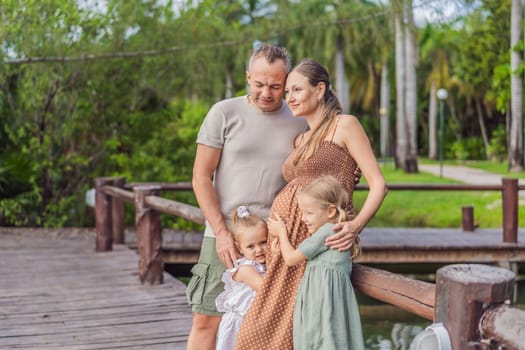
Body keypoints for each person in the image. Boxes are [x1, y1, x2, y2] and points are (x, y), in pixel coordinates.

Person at [187, 43, 360, 349]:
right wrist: (221, 232)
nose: (266, 92)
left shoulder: (298, 117)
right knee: (206, 318)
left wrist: (349, 181)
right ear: (247, 77)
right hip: (225, 235)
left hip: (277, 239)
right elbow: (200, 177)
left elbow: (324, 162)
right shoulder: (223, 112)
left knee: (271, 323)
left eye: (276, 86)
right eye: (259, 84)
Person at [235, 59, 387, 349]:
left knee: (298, 330)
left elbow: (378, 184)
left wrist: (354, 226)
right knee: (260, 329)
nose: (289, 97)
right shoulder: (300, 139)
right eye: (287, 91)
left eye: (296, 90)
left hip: (314, 244)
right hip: (285, 245)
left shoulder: (345, 125)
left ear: (320, 90)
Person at [268, 176, 364, 350]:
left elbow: (291, 259)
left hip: (323, 305)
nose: (304, 219)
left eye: (309, 213)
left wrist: (281, 233)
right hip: (322, 301)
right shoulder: (332, 230)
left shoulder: (328, 231)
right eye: (303, 212)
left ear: (330, 212)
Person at [215, 206, 267, 350]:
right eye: (251, 246)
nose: (259, 250)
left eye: (263, 242)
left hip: (255, 323)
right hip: (239, 325)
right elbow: (266, 288)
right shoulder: (245, 269)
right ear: (240, 248)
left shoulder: (265, 265)